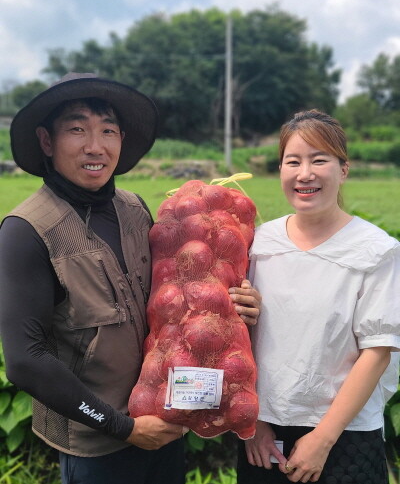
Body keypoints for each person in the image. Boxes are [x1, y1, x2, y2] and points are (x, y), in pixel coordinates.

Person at [0, 73, 261, 484]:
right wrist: (123, 427)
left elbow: (178, 296)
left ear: (121, 139)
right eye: (76, 129)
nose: (95, 145)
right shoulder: (26, 231)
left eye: (107, 130)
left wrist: (238, 300)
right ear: (47, 141)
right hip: (98, 445)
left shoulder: (136, 210)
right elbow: (24, 361)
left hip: (164, 425)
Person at [237, 109, 400, 484]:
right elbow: (241, 340)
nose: (304, 173)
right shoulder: (260, 243)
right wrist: (253, 424)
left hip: (346, 434)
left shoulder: (375, 250)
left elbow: (377, 352)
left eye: (319, 160)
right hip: (264, 434)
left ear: (343, 170)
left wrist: (323, 440)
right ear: (280, 170)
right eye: (292, 161)